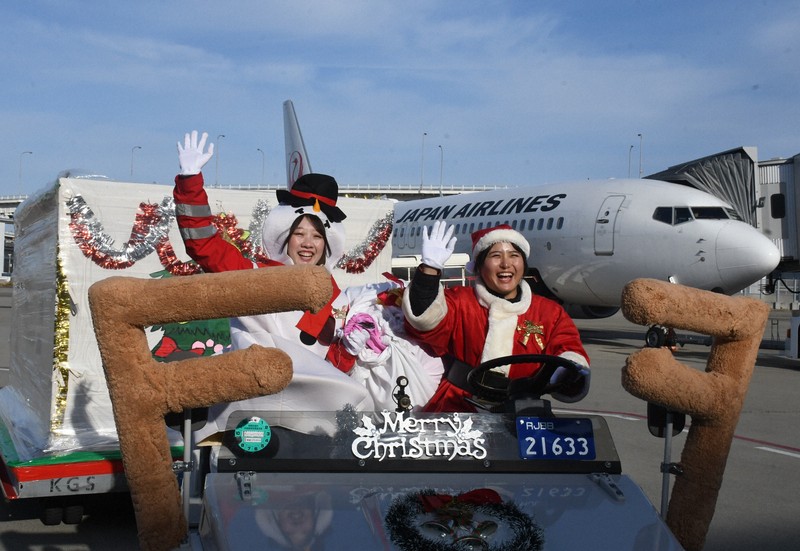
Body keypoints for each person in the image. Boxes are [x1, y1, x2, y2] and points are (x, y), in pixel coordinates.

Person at [172, 130, 374, 435]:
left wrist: (348, 351)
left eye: (317, 236)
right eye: (300, 234)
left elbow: (330, 375)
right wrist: (190, 183)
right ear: (286, 237)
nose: (308, 244)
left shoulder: (339, 302)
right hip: (247, 414)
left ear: (327, 244)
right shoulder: (256, 277)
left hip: (308, 425)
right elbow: (204, 246)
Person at [401, 221, 590, 412]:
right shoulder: (460, 302)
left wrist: (567, 373)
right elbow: (425, 320)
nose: (506, 264)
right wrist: (430, 271)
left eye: (514, 255)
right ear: (479, 266)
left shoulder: (549, 312)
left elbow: (569, 349)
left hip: (525, 411)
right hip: (458, 406)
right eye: (495, 256)